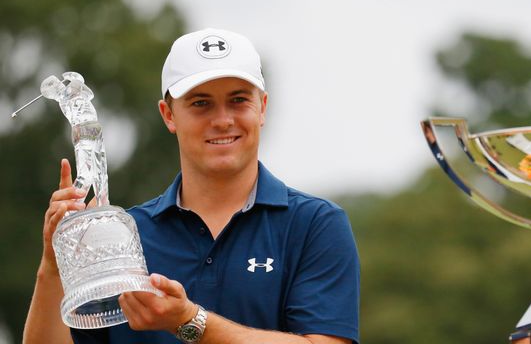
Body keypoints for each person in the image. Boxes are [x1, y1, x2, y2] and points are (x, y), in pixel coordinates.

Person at [23, 28, 360, 344]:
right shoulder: (124, 236)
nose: (223, 119)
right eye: (201, 103)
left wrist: (190, 320)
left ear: (262, 108)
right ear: (168, 115)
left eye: (239, 100)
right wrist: (54, 266)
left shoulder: (315, 224)